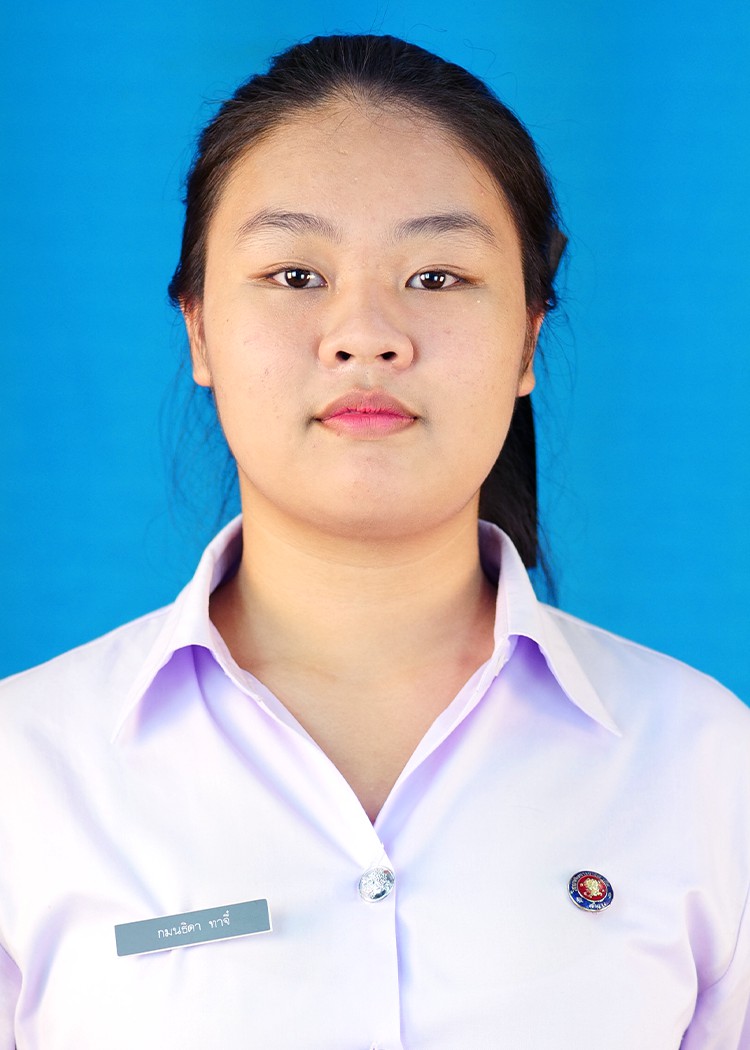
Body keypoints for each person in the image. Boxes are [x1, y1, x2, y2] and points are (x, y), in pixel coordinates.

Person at [0, 33, 748, 1049]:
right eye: (295, 273)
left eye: (436, 276)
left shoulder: (706, 764)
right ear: (199, 329)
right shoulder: (28, 770)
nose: (366, 334)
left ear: (528, 338)